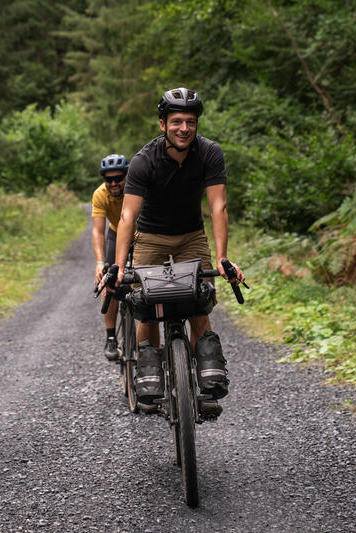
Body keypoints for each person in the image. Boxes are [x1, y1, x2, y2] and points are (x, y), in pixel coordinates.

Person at [112, 88, 245, 415]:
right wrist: (117, 266)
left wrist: (224, 256)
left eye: (190, 121)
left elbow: (218, 207)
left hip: (191, 237)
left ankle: (208, 376)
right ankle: (149, 369)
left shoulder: (210, 153)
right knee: (147, 304)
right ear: (162, 125)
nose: (184, 128)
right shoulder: (145, 160)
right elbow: (127, 215)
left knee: (198, 300)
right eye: (176, 122)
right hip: (151, 238)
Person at [91, 153, 129, 361]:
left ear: (126, 176)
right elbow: (98, 231)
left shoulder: (136, 189)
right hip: (115, 233)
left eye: (118, 178)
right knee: (109, 282)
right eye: (109, 179)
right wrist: (99, 263)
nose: (113, 183)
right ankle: (111, 337)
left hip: (140, 234)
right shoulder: (100, 194)